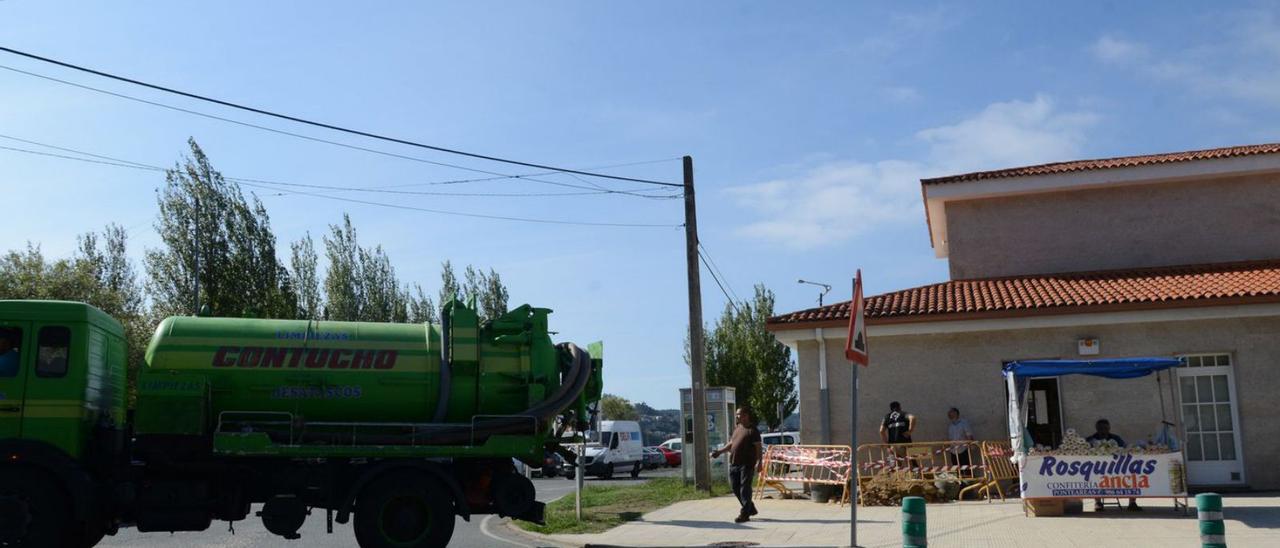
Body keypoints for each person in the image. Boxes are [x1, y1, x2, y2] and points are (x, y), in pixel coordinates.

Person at [712, 406, 763, 523]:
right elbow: (731, 443)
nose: (737, 416)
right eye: (737, 414)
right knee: (735, 488)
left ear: (746, 415)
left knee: (745, 489)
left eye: (739, 414)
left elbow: (758, 447)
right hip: (734, 463)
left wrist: (760, 462)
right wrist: (720, 452)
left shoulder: (753, 430)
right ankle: (750, 508)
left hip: (747, 464)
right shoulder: (738, 428)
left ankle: (744, 514)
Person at [1087, 419, 1140, 512]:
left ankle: (1132, 503)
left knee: (1132, 476)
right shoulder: (1091, 439)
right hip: (1099, 469)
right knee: (1094, 478)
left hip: (1117, 468)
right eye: (1100, 428)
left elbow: (1124, 449)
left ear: (1109, 428)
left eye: (1105, 428)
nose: (1103, 430)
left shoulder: (1116, 438)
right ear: (1097, 429)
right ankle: (1098, 503)